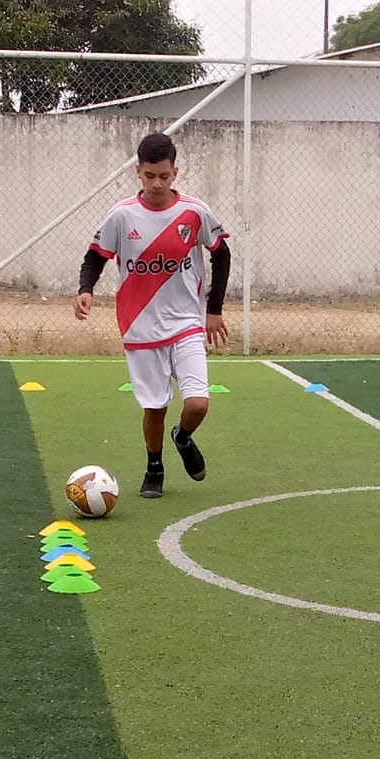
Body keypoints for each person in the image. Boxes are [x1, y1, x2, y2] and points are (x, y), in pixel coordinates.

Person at [75, 131, 232, 498]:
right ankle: (154, 467)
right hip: (140, 326)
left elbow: (221, 254)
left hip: (186, 323)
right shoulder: (121, 215)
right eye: (149, 176)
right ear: (138, 172)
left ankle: (183, 436)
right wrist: (85, 289)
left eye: (164, 175)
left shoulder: (194, 212)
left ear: (175, 172)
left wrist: (214, 309)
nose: (157, 183)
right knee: (155, 407)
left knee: (198, 403)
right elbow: (96, 256)